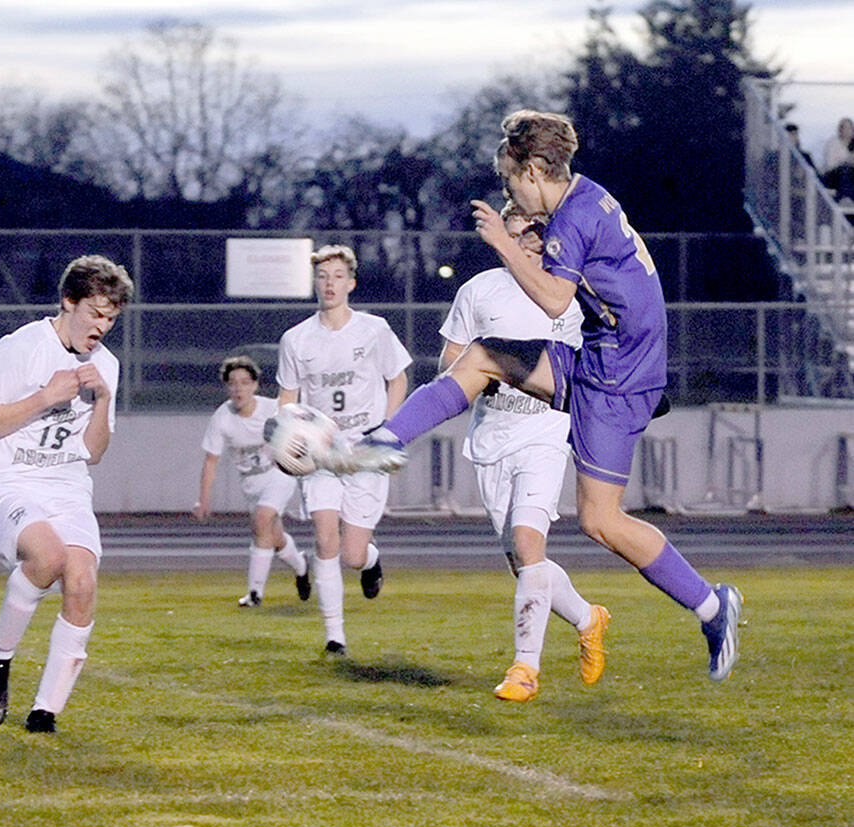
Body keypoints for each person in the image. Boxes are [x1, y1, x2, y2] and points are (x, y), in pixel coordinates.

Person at [362, 109, 742, 683]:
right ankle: (385, 440)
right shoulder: (585, 199)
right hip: (610, 356)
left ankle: (713, 606)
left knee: (602, 521)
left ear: (537, 171)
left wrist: (505, 244)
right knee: (486, 354)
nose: (512, 194)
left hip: (617, 374)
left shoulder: (575, 218)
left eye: (513, 181)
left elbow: (556, 302)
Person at [438, 206, 608, 702]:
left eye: (537, 230)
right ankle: (587, 616)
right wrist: (485, 375)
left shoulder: (568, 293)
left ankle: (524, 670)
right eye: (518, 231)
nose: (530, 238)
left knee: (530, 544)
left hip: (546, 432)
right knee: (523, 563)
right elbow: (452, 359)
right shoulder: (479, 290)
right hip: (493, 437)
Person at [0, 254, 133, 734]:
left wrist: (104, 401)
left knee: (82, 583)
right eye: (95, 313)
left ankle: (45, 712)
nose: (102, 326)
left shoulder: (107, 367)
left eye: (112, 318)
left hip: (66, 486)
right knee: (48, 557)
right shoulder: (20, 347)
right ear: (68, 302)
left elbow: (94, 452)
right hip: (6, 480)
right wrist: (45, 397)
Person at [276, 244, 412, 655]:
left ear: (351, 283)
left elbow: (399, 380)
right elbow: (288, 397)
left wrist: (386, 429)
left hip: (365, 450)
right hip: (323, 453)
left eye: (337, 276)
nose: (329, 283)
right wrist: (291, 438)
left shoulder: (374, 329)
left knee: (351, 554)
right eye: (322, 276)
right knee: (324, 539)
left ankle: (370, 562)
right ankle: (335, 636)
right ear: (314, 283)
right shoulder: (296, 339)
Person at [193, 354, 309, 607]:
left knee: (262, 521)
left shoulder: (272, 409)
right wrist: (203, 499)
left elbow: (300, 427)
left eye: (245, 382)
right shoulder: (222, 418)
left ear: (255, 385)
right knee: (272, 536)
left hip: (279, 474)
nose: (239, 389)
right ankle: (301, 566)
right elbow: (211, 460)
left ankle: (255, 594)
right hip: (251, 482)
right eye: (233, 383)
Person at [821, 117, 854, 203]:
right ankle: (845, 198)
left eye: (850, 128)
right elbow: (830, 165)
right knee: (845, 169)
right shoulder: (833, 143)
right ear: (840, 130)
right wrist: (846, 160)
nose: (848, 130)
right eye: (845, 128)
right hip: (833, 175)